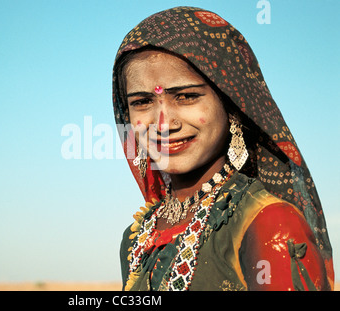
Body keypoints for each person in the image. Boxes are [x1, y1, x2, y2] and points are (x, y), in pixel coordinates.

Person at [112, 6, 334, 291]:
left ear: (231, 106)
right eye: (142, 102)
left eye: (186, 96)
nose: (163, 124)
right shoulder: (136, 239)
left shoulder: (270, 222)